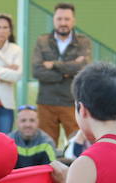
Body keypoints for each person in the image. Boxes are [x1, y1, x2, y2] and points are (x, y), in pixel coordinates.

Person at [31, 3, 92, 144]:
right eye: (59, 19)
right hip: (46, 102)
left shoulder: (83, 42)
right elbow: (37, 71)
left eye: (67, 19)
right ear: (54, 20)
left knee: (77, 144)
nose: (63, 23)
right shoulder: (42, 41)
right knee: (46, 145)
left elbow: (83, 69)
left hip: (72, 101)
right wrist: (65, 73)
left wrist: (53, 65)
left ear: (73, 20)